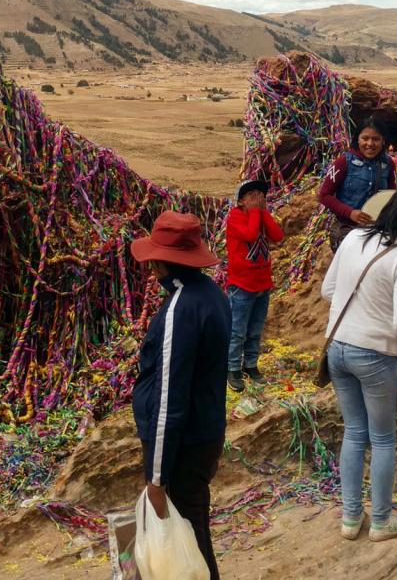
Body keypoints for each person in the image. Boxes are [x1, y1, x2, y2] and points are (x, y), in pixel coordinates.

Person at [321, 188, 397, 543]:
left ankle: (351, 519)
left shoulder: (354, 237)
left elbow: (328, 290)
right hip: (374, 355)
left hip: (337, 349)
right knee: (383, 439)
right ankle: (382, 522)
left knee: (354, 432)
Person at [130, 210, 230, 580]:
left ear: (162, 262)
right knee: (190, 531)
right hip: (204, 433)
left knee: (185, 535)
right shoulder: (212, 295)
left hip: (182, 445)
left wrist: (156, 478)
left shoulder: (181, 310)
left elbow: (170, 399)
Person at [224, 178, 284, 391]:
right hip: (242, 285)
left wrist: (263, 212)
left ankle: (250, 364)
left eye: (261, 195)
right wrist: (256, 213)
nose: (258, 199)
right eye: (252, 196)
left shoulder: (261, 215)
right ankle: (232, 368)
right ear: (240, 202)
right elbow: (249, 234)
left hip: (262, 284)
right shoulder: (235, 217)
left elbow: (277, 235)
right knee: (237, 331)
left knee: (256, 329)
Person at [318, 117, 397, 249]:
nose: (370, 144)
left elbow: (392, 196)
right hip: (346, 227)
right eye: (365, 138)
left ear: (383, 141)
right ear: (357, 139)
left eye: (376, 139)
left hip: (377, 227)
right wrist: (350, 213)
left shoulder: (388, 164)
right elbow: (325, 195)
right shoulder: (343, 162)